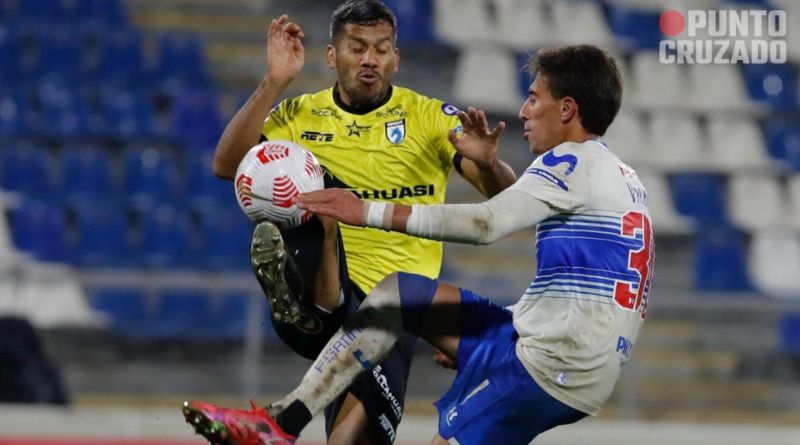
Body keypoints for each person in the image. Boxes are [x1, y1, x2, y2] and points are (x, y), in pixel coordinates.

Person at [184, 44, 655, 445]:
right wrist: (468, 336)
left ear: (567, 109)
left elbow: (485, 223)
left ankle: (280, 422)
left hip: (549, 370)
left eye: (534, 99)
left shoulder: (571, 164)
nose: (525, 112)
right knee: (398, 296)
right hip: (553, 347)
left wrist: (364, 210)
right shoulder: (623, 178)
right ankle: (280, 423)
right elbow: (586, 289)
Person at [182, 1, 516, 444]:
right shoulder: (300, 115)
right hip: (328, 284)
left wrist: (490, 165)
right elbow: (227, 165)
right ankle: (307, 301)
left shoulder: (430, 117)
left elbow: (505, 199)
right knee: (303, 199)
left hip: (396, 310)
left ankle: (299, 363)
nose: (370, 59)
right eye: (357, 47)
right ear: (332, 56)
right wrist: (274, 82)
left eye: (381, 49)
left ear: (396, 58)